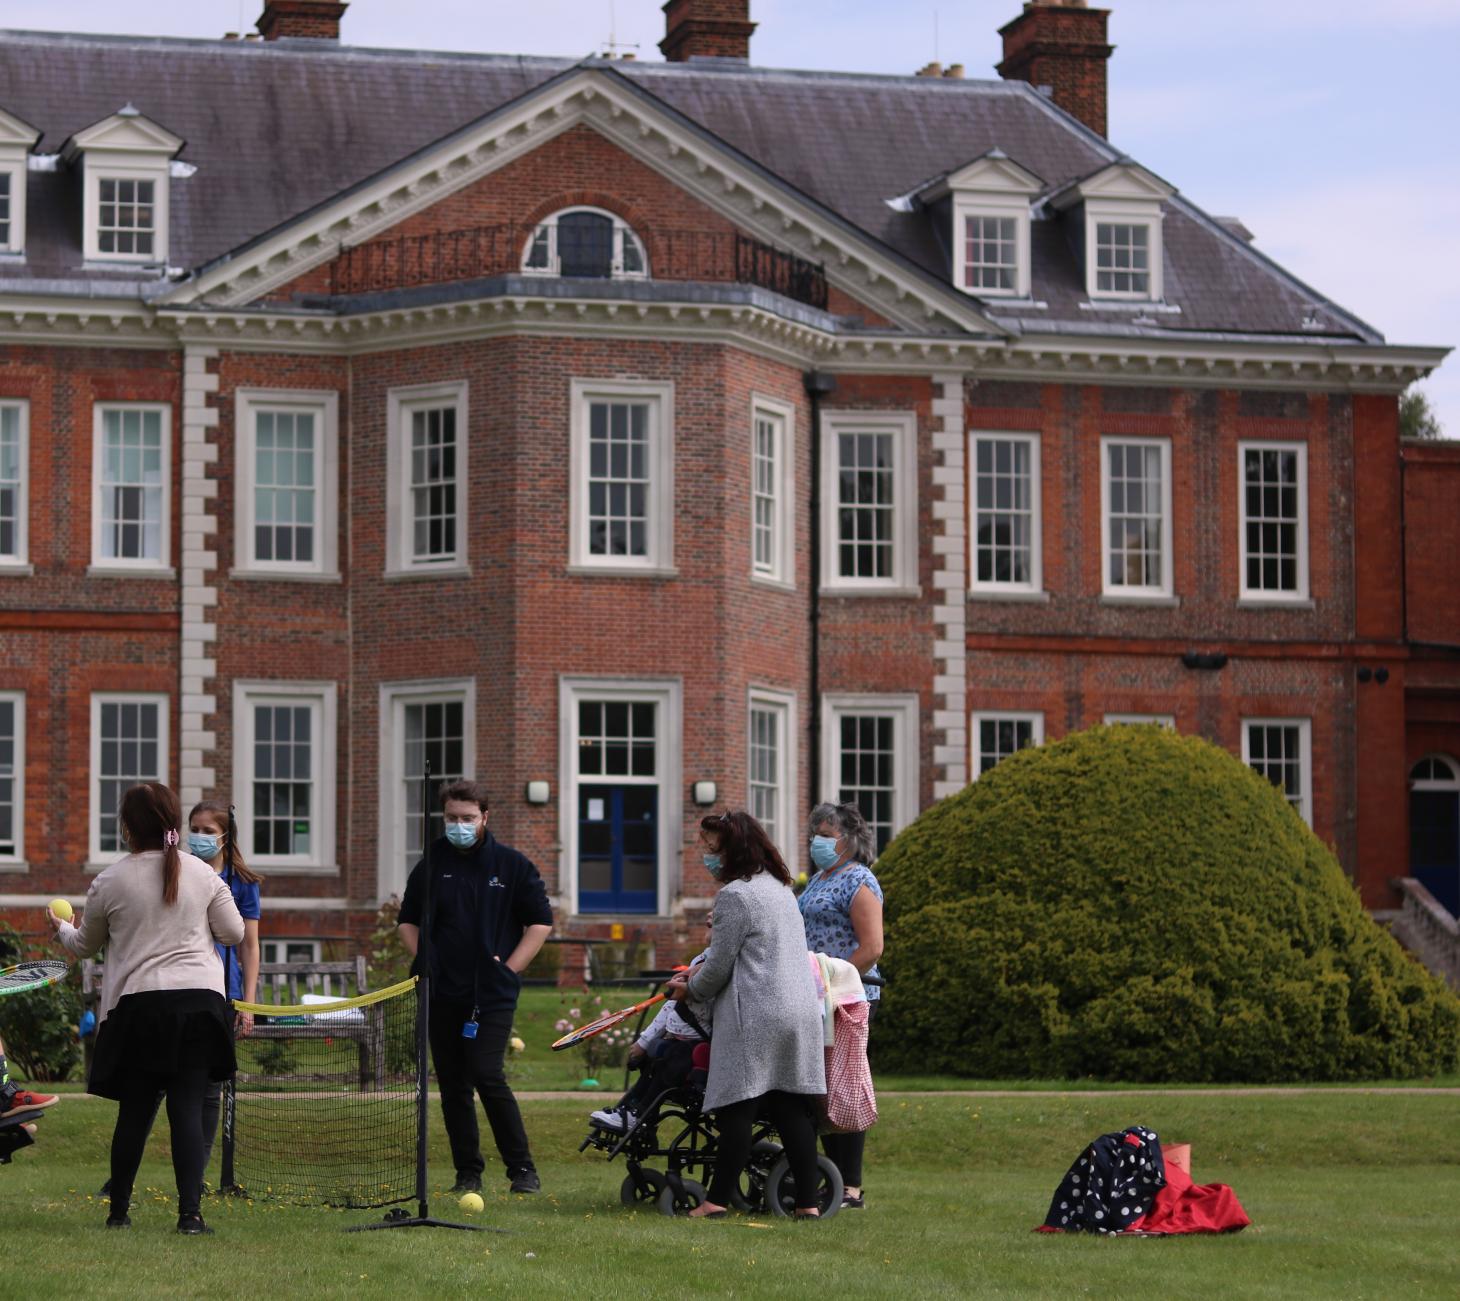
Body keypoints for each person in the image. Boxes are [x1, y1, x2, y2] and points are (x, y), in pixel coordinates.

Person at [50, 782, 244, 1233]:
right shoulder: (203, 874)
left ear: (127, 828)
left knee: (135, 1111)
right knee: (187, 1109)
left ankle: (118, 1212)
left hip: (140, 1007)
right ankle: (190, 1216)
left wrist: (61, 928)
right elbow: (234, 933)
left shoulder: (111, 880)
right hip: (200, 1005)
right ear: (174, 823)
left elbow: (84, 945)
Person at [397, 780, 553, 1196]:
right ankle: (467, 1173)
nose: (459, 825)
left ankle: (522, 1169)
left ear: (485, 817)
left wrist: (510, 970)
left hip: (491, 994)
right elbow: (407, 920)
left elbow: (540, 922)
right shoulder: (431, 864)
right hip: (441, 992)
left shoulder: (512, 865)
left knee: (487, 1074)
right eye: (451, 818)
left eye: (467, 818)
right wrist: (425, 958)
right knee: (453, 1086)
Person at [668, 810, 825, 1219]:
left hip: (757, 1014)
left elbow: (718, 966)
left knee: (738, 1107)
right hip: (799, 1012)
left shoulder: (735, 895)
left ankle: (715, 1201)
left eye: (711, 848)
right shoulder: (781, 889)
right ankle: (808, 1204)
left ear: (733, 850)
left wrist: (689, 990)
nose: (706, 856)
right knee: (791, 1108)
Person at [800, 801, 885, 1210]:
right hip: (816, 997)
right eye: (814, 834)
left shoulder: (860, 880)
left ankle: (850, 1187)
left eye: (826, 835)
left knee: (844, 1085)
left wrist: (835, 983)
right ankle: (831, 1180)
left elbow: (872, 947)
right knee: (821, 1090)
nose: (817, 841)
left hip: (848, 998)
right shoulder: (819, 879)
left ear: (849, 839)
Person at [187, 799, 261, 1175]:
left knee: (210, 1089)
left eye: (208, 831)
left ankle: (197, 1173)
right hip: (182, 987)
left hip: (223, 994)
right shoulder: (178, 872)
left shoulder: (242, 883)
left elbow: (249, 946)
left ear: (225, 837)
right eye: (194, 830)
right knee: (159, 1083)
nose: (199, 837)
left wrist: (247, 1004)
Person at [588, 929, 713, 1133]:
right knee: (654, 1058)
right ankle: (626, 1111)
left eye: (715, 918)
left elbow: (712, 1009)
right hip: (679, 1039)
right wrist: (645, 1040)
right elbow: (672, 1006)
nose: (710, 917)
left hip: (701, 1043)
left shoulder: (721, 966)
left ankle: (639, 1116)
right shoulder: (701, 959)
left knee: (673, 1058)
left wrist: (689, 993)